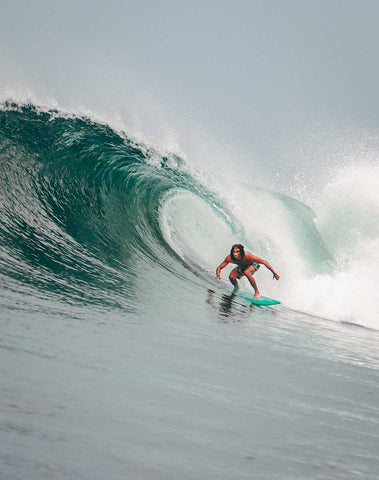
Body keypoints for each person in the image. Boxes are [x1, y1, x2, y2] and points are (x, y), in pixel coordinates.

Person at [216, 244, 280, 298]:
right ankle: (236, 288)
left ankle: (257, 293)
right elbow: (219, 267)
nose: (235, 254)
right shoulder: (230, 258)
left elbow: (264, 262)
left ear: (241, 252)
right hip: (243, 266)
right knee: (231, 277)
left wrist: (274, 273)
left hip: (254, 264)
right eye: (234, 252)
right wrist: (218, 273)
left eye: (237, 252)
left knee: (246, 272)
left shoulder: (248, 256)